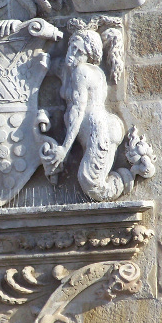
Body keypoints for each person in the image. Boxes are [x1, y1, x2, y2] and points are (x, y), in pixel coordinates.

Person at [41, 17, 133, 202]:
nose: (72, 53)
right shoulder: (71, 68)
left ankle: (129, 176)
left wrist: (64, 150)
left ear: (89, 56)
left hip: (98, 132)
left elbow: (77, 111)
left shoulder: (81, 71)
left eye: (79, 51)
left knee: (92, 185)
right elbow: (47, 65)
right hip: (98, 127)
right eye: (72, 46)